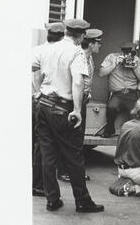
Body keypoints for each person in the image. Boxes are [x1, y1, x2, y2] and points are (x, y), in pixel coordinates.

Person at [32, 18, 104, 213]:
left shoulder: (48, 49)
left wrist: (37, 91)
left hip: (44, 105)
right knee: (74, 156)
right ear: (81, 36)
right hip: (62, 107)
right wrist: (77, 110)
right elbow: (78, 81)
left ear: (66, 32)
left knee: (48, 156)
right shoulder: (76, 52)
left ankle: (52, 199)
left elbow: (32, 68)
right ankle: (82, 201)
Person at [58, 28, 103, 183]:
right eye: (98, 43)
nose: (100, 46)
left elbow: (87, 80)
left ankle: (74, 171)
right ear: (90, 44)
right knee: (71, 137)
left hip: (83, 100)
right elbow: (75, 81)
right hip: (74, 101)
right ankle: (64, 171)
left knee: (78, 139)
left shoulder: (89, 59)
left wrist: (88, 93)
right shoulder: (80, 57)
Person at [32, 22, 65, 196]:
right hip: (47, 101)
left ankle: (37, 182)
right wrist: (39, 92)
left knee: (39, 144)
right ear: (61, 37)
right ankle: (40, 184)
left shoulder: (38, 50)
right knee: (46, 147)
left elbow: (34, 71)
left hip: (37, 101)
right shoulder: (55, 52)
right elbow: (38, 75)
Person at [98, 41, 140, 137]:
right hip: (117, 93)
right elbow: (101, 73)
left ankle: (135, 135)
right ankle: (110, 130)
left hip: (132, 94)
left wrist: (135, 68)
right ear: (122, 52)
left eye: (131, 53)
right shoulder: (112, 57)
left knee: (135, 114)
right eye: (126, 53)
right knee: (111, 108)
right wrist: (114, 64)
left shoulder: (137, 61)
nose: (128, 56)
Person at [114, 99, 140, 197]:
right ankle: (135, 188)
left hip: (121, 169)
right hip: (136, 172)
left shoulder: (126, 125)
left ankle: (125, 180)